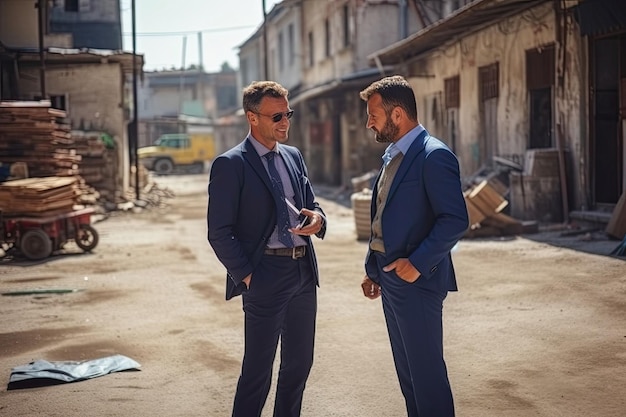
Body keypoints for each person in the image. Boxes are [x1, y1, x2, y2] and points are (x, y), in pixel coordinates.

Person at [207, 80, 327, 417]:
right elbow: (219, 231)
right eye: (276, 116)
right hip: (264, 275)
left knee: (299, 365)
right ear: (252, 117)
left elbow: (311, 202)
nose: (285, 122)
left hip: (303, 271)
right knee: (258, 371)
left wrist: (318, 219)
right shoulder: (231, 164)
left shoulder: (294, 156)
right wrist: (247, 275)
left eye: (287, 113)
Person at [358, 75, 469, 417]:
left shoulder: (433, 156)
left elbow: (455, 219)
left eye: (373, 113)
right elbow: (383, 218)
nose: (368, 122)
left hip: (417, 282)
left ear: (397, 115)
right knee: (409, 378)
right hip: (390, 280)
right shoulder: (393, 155)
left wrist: (417, 263)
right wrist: (373, 269)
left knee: (427, 378)